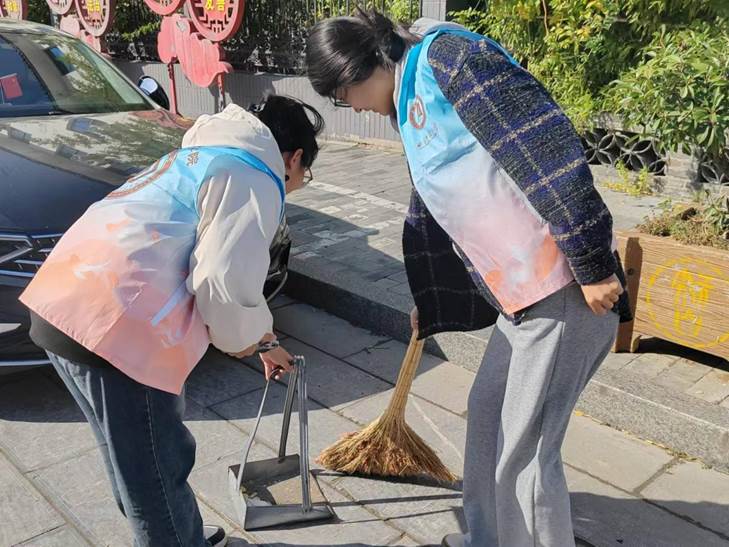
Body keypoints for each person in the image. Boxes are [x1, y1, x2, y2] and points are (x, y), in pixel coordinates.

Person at [305, 11, 631, 547]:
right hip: (519, 298)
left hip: (562, 287)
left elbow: (547, 150)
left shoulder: (453, 61)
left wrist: (593, 263)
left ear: (361, 68)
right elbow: (442, 207)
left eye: (344, 96)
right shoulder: (410, 98)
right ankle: (487, 538)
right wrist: (432, 297)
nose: (354, 108)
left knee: (526, 450)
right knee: (487, 413)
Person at [20, 95, 324, 547]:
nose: (297, 184)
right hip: (115, 328)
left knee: (130, 460)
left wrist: (263, 341)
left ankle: (180, 535)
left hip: (62, 301)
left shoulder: (198, 156)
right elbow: (223, 280)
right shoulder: (253, 174)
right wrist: (243, 341)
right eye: (305, 174)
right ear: (293, 158)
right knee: (156, 470)